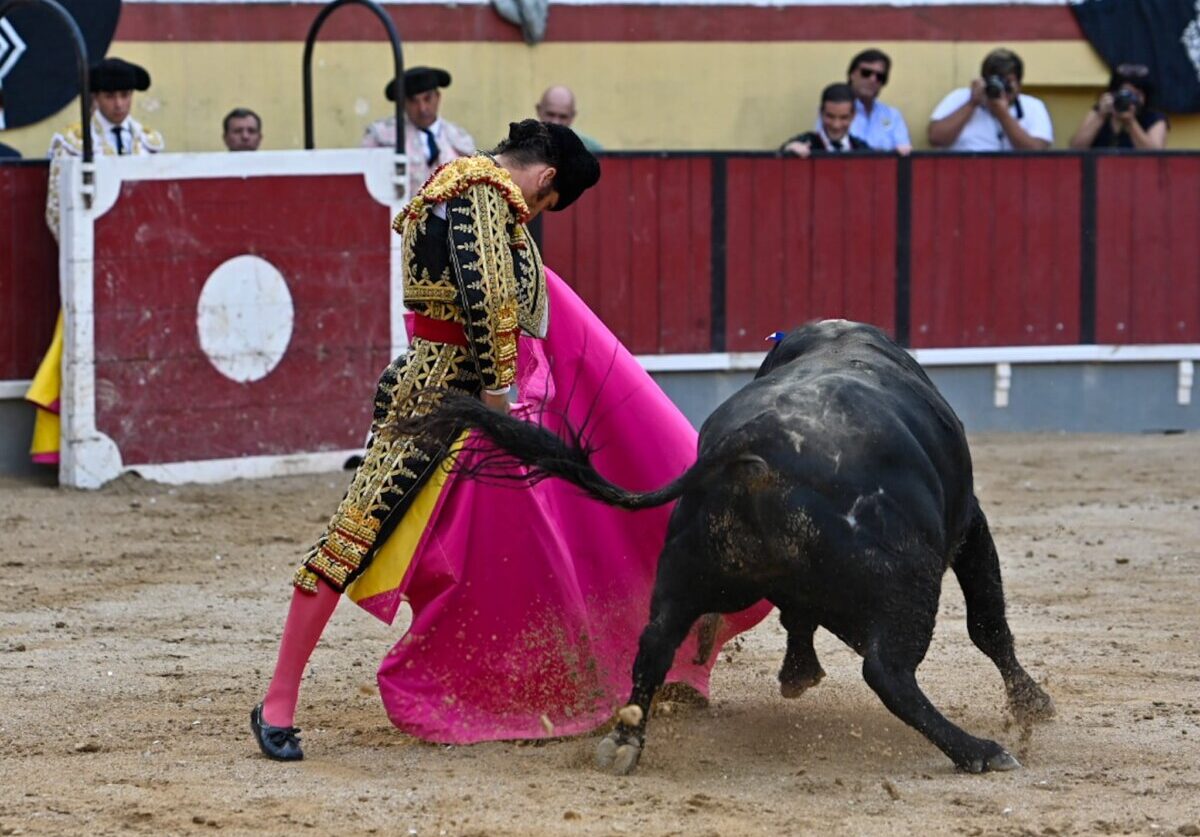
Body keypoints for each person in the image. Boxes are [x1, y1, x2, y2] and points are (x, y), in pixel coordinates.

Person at [28, 57, 163, 467]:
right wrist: (90, 259)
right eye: (110, 96)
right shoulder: (69, 142)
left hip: (141, 271)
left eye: (125, 96)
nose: (119, 104)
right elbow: (57, 211)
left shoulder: (152, 142)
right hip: (90, 269)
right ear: (94, 99)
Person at [362, 65, 476, 195]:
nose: (422, 108)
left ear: (438, 97)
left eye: (427, 99)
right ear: (403, 103)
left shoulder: (459, 139)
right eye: (413, 101)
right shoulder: (381, 137)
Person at [927, 48, 1052, 151]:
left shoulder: (1033, 106)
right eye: (997, 81)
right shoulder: (960, 97)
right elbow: (936, 138)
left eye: (1007, 83)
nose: (1002, 89)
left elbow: (1037, 152)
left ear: (1019, 85)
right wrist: (971, 104)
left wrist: (1003, 114)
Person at [815, 49, 911, 154]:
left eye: (879, 77)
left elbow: (904, 152)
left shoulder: (892, 115)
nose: (872, 80)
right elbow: (825, 148)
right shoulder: (835, 109)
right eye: (866, 73)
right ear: (852, 74)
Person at [1068, 63, 1168, 150]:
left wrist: (1131, 123)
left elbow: (1155, 157)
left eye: (1136, 95)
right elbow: (1075, 149)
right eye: (1126, 94)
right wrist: (1100, 116)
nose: (1130, 100)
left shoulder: (1155, 119)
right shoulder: (1100, 111)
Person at [781, 83, 871, 157]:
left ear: (853, 116)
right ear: (821, 113)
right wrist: (788, 152)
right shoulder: (803, 143)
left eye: (844, 118)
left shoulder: (863, 150)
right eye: (830, 116)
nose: (836, 125)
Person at [535, 85, 603, 152]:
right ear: (538, 110)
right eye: (550, 114)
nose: (556, 122)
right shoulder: (524, 145)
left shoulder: (591, 150)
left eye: (563, 117)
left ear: (572, 116)